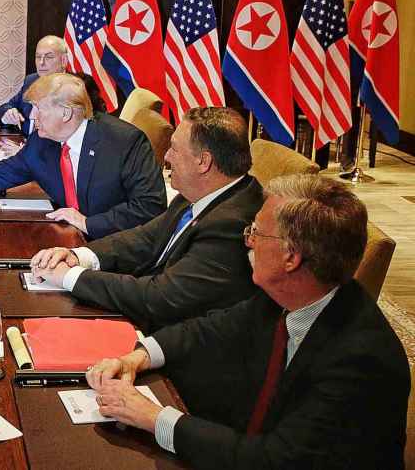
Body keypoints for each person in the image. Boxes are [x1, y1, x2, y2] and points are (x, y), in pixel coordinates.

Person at [85, 174, 409, 469]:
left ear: (291, 257)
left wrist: (153, 417)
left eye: (256, 232)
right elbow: (212, 328)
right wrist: (137, 357)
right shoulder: (290, 294)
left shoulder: (361, 360)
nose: (248, 241)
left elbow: (273, 459)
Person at [31, 106, 261, 331]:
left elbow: (160, 297)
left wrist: (70, 277)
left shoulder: (232, 223)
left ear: (204, 161)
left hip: (172, 339)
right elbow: (146, 238)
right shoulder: (196, 194)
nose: (166, 157)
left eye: (174, 149)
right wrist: (78, 256)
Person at [0, 73, 165, 239]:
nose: (32, 116)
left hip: (115, 247)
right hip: (66, 240)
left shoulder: (125, 142)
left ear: (65, 112)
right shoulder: (43, 142)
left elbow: (150, 207)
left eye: (39, 108)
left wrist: (87, 222)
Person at [0, 35, 69, 135]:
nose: (41, 62)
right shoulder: (31, 81)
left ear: (64, 61)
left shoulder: (73, 88)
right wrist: (8, 114)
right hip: (23, 145)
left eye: (48, 57)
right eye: (38, 57)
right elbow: (6, 107)